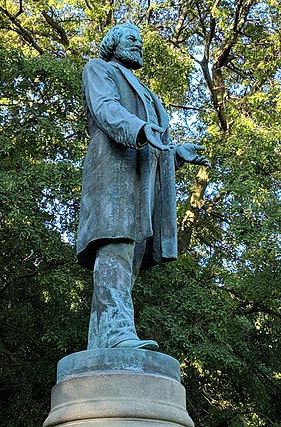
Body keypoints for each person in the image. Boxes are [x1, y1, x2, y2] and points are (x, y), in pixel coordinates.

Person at [77, 23, 209, 351]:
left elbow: (153, 140)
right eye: (131, 40)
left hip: (142, 187)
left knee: (128, 261)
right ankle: (118, 334)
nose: (139, 45)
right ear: (113, 43)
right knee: (115, 249)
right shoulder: (99, 69)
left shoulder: (150, 96)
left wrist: (175, 152)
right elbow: (107, 109)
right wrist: (138, 128)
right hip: (112, 178)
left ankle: (102, 343)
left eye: (140, 41)